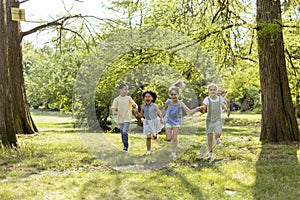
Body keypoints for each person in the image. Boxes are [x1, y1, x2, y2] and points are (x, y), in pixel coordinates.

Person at [162, 80, 200, 159]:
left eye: (175, 94)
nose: (173, 96)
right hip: (168, 120)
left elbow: (189, 112)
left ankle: (173, 152)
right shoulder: (168, 102)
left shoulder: (180, 103)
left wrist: (197, 109)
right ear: (170, 95)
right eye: (172, 94)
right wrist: (161, 118)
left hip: (176, 122)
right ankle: (170, 140)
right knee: (169, 138)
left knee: (175, 138)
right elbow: (164, 109)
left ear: (178, 94)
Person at [200, 83, 230, 159]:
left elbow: (225, 104)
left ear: (217, 91)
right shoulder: (207, 99)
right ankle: (210, 153)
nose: (212, 91)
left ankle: (217, 138)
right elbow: (204, 105)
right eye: (211, 90)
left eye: (214, 90)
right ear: (208, 91)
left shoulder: (220, 98)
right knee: (209, 137)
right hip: (209, 120)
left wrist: (228, 110)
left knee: (218, 132)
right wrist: (202, 109)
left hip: (217, 119)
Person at [135, 90, 164, 156]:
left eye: (149, 96)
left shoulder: (154, 106)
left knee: (154, 136)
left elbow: (160, 113)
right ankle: (148, 151)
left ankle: (155, 136)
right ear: (144, 98)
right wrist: (136, 112)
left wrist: (162, 119)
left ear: (152, 98)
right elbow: (140, 115)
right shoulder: (143, 106)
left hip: (154, 121)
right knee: (148, 137)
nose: (147, 98)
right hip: (147, 122)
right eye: (146, 97)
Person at [112, 84, 138, 152]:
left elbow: (135, 105)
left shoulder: (129, 98)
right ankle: (124, 146)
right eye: (125, 89)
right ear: (120, 90)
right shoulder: (117, 99)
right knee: (122, 133)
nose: (127, 91)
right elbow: (113, 108)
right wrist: (114, 112)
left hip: (127, 118)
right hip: (120, 119)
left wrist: (136, 108)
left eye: (127, 89)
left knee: (124, 131)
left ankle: (126, 146)